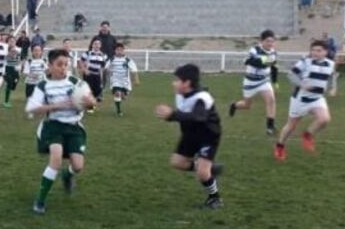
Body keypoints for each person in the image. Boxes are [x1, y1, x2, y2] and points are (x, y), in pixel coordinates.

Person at [26, 48, 96, 214]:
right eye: (59, 64)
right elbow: (31, 108)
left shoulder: (76, 83)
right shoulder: (44, 85)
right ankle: (40, 200)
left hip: (74, 128)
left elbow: (92, 104)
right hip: (53, 126)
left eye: (66, 64)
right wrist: (57, 106)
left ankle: (68, 174)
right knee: (55, 159)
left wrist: (89, 102)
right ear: (49, 66)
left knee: (78, 166)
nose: (63, 68)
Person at [154, 64, 224, 210]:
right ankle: (209, 168)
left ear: (186, 83)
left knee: (203, 174)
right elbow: (186, 115)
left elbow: (199, 117)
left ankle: (215, 199)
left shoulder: (202, 98)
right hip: (190, 135)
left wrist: (172, 115)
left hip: (208, 136)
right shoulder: (180, 94)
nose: (174, 83)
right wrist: (172, 116)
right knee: (177, 162)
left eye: (177, 80)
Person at [274, 40, 336, 162]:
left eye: (319, 50)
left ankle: (308, 134)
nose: (315, 53)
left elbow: (332, 76)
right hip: (300, 99)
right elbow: (291, 75)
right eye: (313, 50)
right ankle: (280, 147)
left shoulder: (331, 64)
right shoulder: (305, 62)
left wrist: (333, 87)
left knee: (324, 119)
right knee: (291, 126)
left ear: (326, 52)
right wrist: (302, 84)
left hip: (317, 98)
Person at [229, 30, 279, 136]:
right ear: (261, 41)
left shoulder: (274, 52)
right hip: (250, 82)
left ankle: (270, 127)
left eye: (272, 41)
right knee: (247, 105)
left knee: (271, 100)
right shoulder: (254, 49)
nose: (270, 44)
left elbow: (272, 66)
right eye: (267, 41)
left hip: (264, 81)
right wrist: (264, 61)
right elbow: (250, 61)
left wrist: (275, 82)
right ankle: (234, 105)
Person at [108, 42, 139, 117]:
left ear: (124, 50)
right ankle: (119, 111)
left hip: (125, 82)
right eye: (117, 50)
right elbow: (106, 68)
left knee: (123, 96)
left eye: (121, 50)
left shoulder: (128, 60)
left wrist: (136, 79)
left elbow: (134, 70)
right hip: (115, 80)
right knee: (117, 93)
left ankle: (123, 95)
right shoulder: (112, 59)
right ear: (115, 51)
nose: (119, 51)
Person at [79, 38, 108, 111]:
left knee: (97, 90)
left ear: (100, 45)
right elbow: (81, 62)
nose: (96, 45)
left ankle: (89, 102)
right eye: (95, 44)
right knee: (89, 90)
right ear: (92, 45)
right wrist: (84, 70)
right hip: (89, 75)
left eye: (98, 44)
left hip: (97, 75)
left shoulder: (103, 55)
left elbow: (103, 67)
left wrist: (101, 76)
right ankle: (89, 107)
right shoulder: (87, 53)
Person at [2, 34, 22, 108]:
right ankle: (6, 101)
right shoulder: (4, 50)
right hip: (8, 68)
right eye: (10, 41)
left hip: (15, 69)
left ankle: (10, 86)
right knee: (9, 84)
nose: (12, 42)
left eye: (13, 41)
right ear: (7, 42)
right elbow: (3, 61)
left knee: (14, 85)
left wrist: (19, 69)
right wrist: (3, 71)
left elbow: (19, 60)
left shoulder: (19, 49)